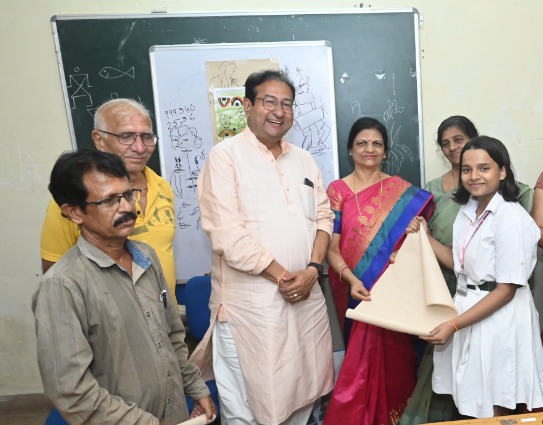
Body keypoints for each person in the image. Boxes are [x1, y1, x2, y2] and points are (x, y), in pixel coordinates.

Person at [190, 69, 335, 425]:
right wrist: (285, 277)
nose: (279, 111)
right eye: (269, 101)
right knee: (249, 408)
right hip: (252, 311)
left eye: (287, 104)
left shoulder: (304, 159)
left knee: (303, 396)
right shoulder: (225, 157)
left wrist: (313, 269)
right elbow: (228, 236)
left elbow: (324, 217)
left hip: (306, 300)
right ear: (247, 105)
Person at [32, 149, 216, 425]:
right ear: (74, 212)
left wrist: (196, 388)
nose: (128, 208)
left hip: (173, 413)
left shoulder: (146, 256)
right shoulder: (62, 286)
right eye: (109, 200)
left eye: (128, 194)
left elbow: (173, 336)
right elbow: (72, 392)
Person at [408, 136, 543, 418]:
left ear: (502, 172)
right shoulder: (468, 210)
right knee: (473, 399)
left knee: (495, 400)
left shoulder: (511, 218)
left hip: (499, 316)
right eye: (467, 169)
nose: (474, 176)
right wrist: (423, 235)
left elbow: (506, 290)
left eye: (484, 168)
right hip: (469, 309)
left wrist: (453, 325)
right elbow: (458, 265)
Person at [323, 117, 434, 425]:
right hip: (356, 291)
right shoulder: (337, 190)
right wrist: (352, 279)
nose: (369, 149)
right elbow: (331, 249)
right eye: (361, 143)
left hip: (393, 294)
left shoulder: (403, 193)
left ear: (385, 151)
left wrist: (414, 234)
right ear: (350, 149)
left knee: (398, 364)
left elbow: (414, 250)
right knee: (359, 370)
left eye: (376, 143)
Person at [40, 98, 178, 303]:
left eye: (146, 136)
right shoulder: (76, 201)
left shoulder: (162, 186)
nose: (140, 147)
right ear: (99, 139)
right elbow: (55, 275)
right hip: (111, 319)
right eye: (126, 136)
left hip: (164, 313)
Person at [426, 115, 533, 295]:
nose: (452, 147)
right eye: (445, 143)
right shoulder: (463, 207)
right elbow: (430, 236)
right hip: (449, 282)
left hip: (495, 291)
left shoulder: (513, 207)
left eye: (458, 139)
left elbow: (507, 285)